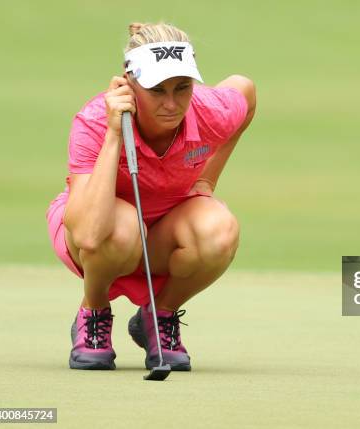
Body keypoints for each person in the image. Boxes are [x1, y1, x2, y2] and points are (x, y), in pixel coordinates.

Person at [45, 21, 256, 371]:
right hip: (97, 229)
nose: (172, 104)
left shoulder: (208, 110)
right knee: (124, 227)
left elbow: (245, 91)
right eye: (157, 90)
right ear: (130, 84)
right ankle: (94, 311)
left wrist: (207, 180)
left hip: (166, 227)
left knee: (219, 230)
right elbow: (87, 234)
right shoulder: (95, 121)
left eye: (182, 87)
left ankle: (159, 316)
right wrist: (115, 132)